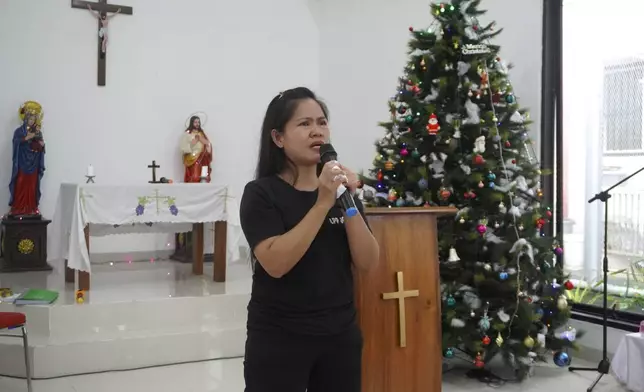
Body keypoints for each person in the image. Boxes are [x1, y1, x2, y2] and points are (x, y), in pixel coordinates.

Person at [240, 87, 379, 392]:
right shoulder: (261, 193)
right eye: (304, 124)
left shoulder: (339, 192)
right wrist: (322, 203)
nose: (317, 131)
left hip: (340, 334)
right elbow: (275, 263)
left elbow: (368, 261)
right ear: (278, 138)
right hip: (280, 336)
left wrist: (347, 200)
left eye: (322, 122)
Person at [9, 113, 45, 217]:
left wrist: (42, 146)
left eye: (34, 120)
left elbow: (41, 146)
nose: (32, 121)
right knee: (20, 183)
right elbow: (15, 142)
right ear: (25, 119)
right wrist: (26, 138)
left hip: (34, 162)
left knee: (32, 185)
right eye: (30, 119)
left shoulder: (38, 132)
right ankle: (18, 208)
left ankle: (31, 208)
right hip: (22, 162)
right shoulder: (19, 131)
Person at [180, 115, 212, 183]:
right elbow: (185, 146)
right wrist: (196, 140)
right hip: (192, 157)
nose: (197, 124)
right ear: (192, 123)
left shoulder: (201, 133)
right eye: (195, 122)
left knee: (202, 175)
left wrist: (208, 149)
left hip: (202, 157)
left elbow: (207, 143)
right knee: (195, 176)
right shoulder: (188, 133)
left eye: (198, 122)